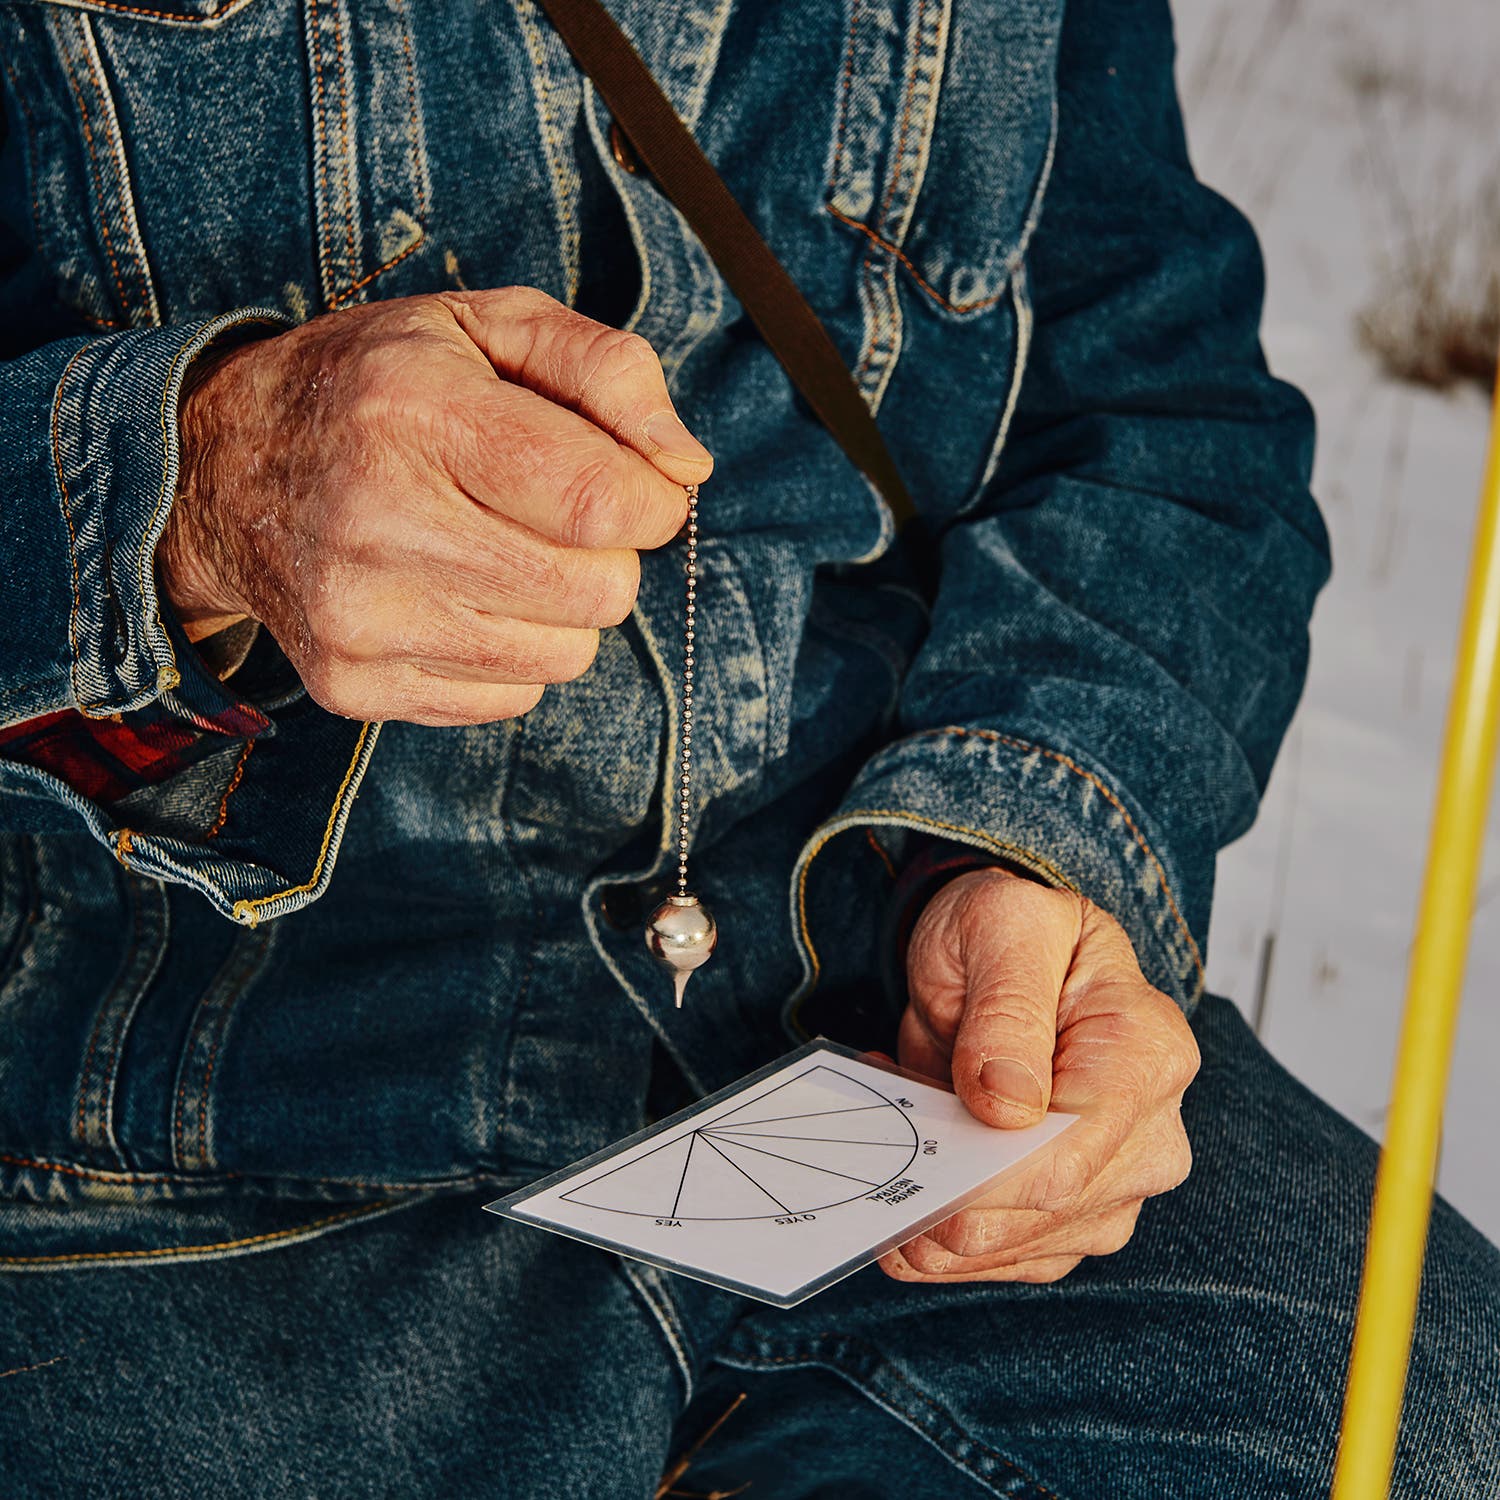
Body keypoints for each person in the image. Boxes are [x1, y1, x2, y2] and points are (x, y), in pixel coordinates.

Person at [0, 0, 1495, 1494]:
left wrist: (1035, 847)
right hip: (158, 1145)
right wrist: (193, 481)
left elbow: (1157, 410)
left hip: (886, 1049)